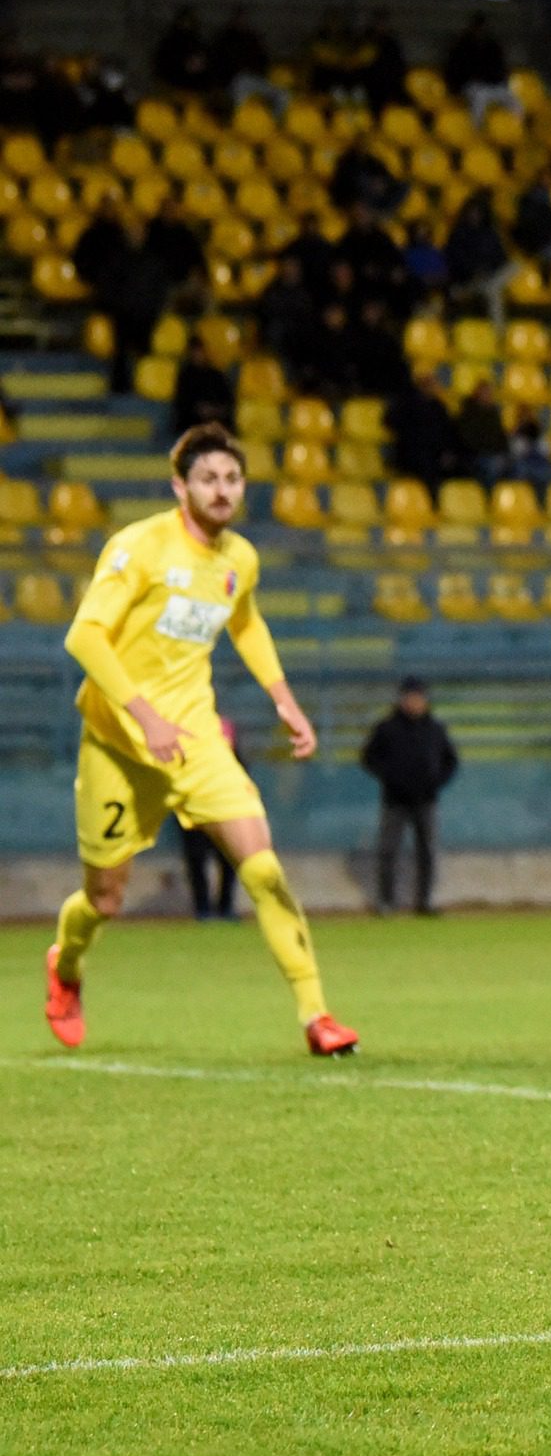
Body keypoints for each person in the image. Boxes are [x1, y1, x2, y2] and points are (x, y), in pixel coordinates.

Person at [42, 425, 357, 1057]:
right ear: (179, 486)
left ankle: (316, 1015)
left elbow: (245, 621)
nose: (222, 491)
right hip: (117, 742)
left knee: (263, 868)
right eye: (208, 479)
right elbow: (84, 636)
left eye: (232, 479)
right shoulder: (140, 547)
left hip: (194, 739)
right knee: (104, 899)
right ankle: (66, 965)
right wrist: (144, 716)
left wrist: (284, 698)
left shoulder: (238, 559)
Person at [361, 677, 459, 915]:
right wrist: (390, 777)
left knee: (427, 851)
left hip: (426, 800)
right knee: (388, 850)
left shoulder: (435, 729)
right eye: (410, 698)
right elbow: (368, 758)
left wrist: (435, 782)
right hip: (395, 800)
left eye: (418, 698)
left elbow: (451, 761)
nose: (414, 703)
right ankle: (386, 902)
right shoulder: (387, 728)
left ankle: (424, 902)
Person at [178, 718, 245, 920]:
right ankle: (203, 908)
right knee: (197, 860)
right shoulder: (187, 730)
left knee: (229, 860)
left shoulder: (224, 727)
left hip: (225, 808)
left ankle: (225, 906)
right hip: (193, 808)